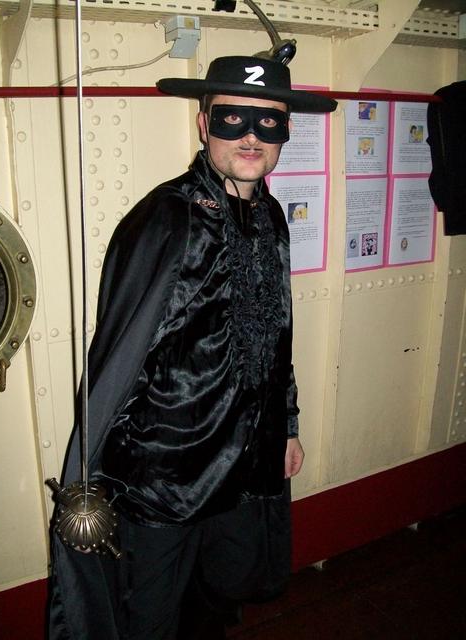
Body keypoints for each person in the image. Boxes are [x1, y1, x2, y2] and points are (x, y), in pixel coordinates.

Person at [48, 55, 337, 640]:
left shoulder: (271, 217)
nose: (252, 137)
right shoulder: (166, 219)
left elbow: (276, 334)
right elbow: (118, 357)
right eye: (233, 119)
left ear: (285, 132)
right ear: (204, 125)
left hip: (245, 463)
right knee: (151, 618)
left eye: (269, 123)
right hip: (167, 478)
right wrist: (94, 471)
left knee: (219, 598)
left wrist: (286, 426)